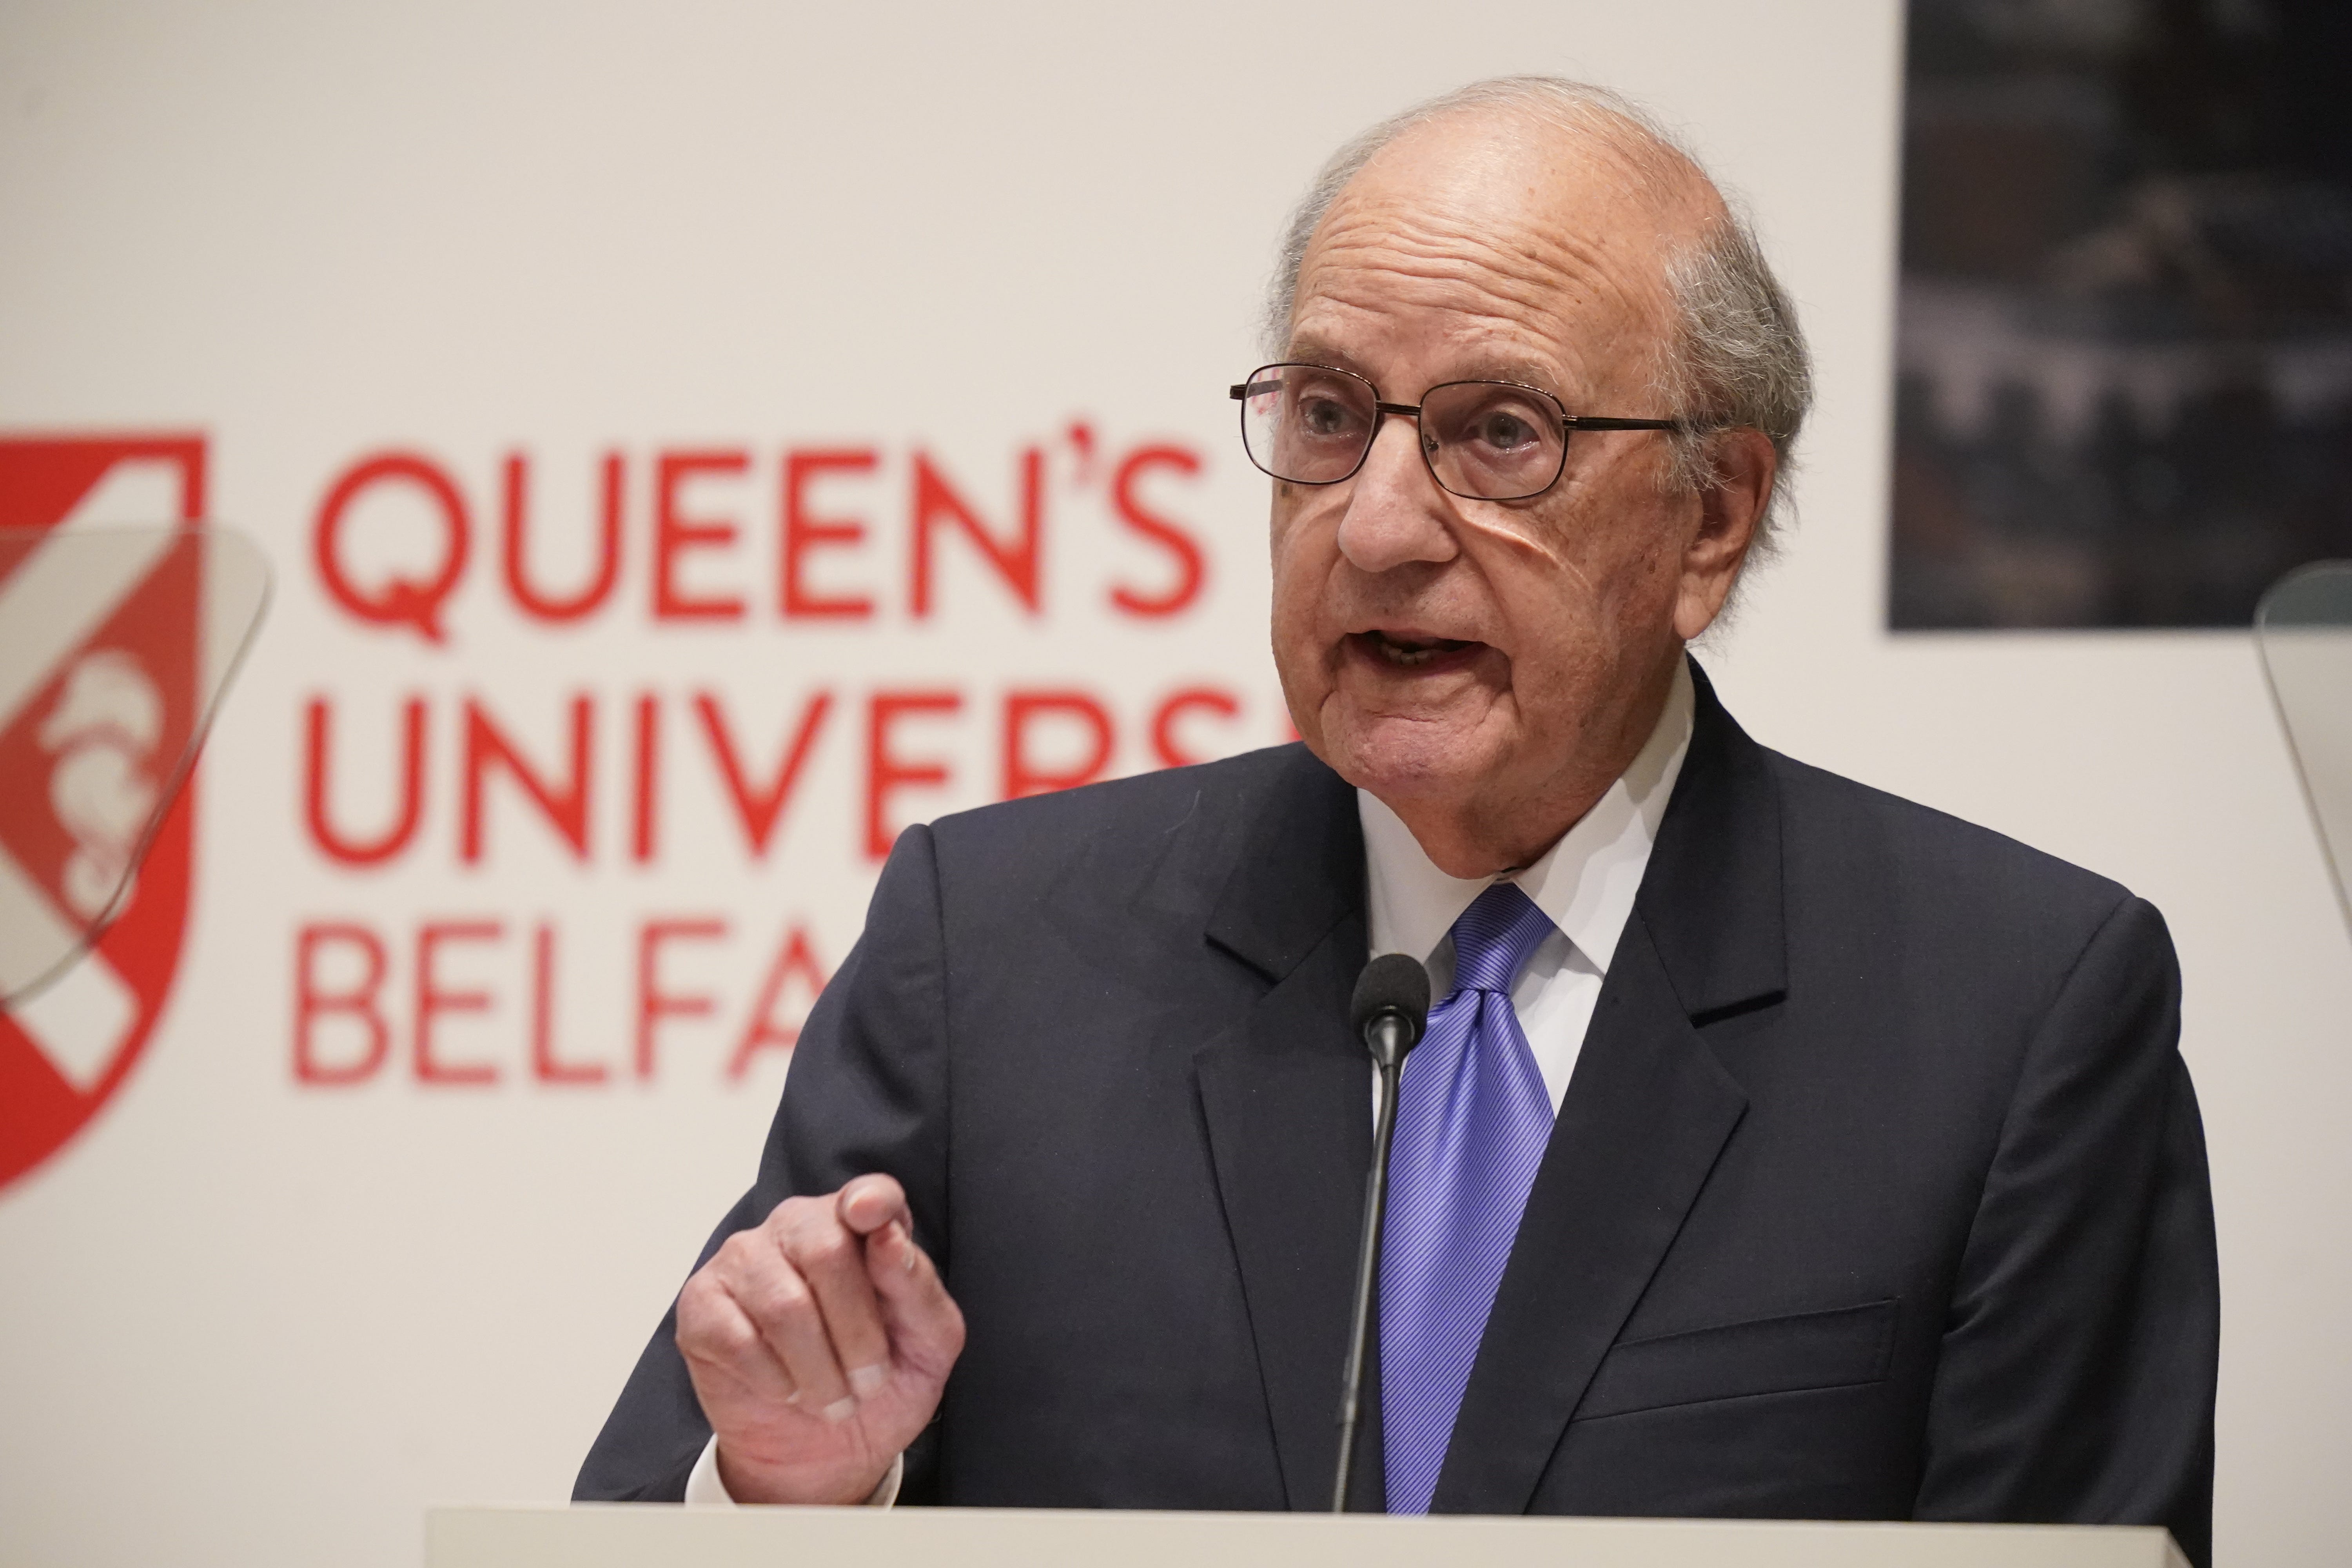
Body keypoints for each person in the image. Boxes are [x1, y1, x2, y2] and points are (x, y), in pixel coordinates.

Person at [577, 76, 2217, 1562]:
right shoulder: (992, 951)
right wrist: (802, 1493)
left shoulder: (2019, 1013)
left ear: (1711, 515)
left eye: (1501, 434)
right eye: (1329, 416)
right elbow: (647, 1513)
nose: (1373, 526)